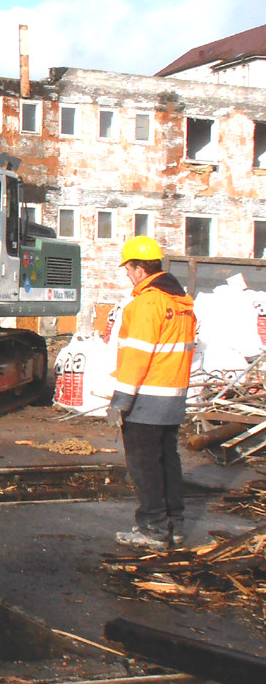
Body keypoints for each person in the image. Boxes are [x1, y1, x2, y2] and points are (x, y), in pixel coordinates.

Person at [110, 235, 197, 551]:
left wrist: (120, 400)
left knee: (144, 466)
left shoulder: (147, 303)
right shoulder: (181, 303)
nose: (128, 276)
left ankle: (153, 530)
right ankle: (173, 526)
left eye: (128, 270)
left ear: (138, 269)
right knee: (166, 462)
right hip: (173, 398)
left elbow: (138, 355)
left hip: (146, 399)